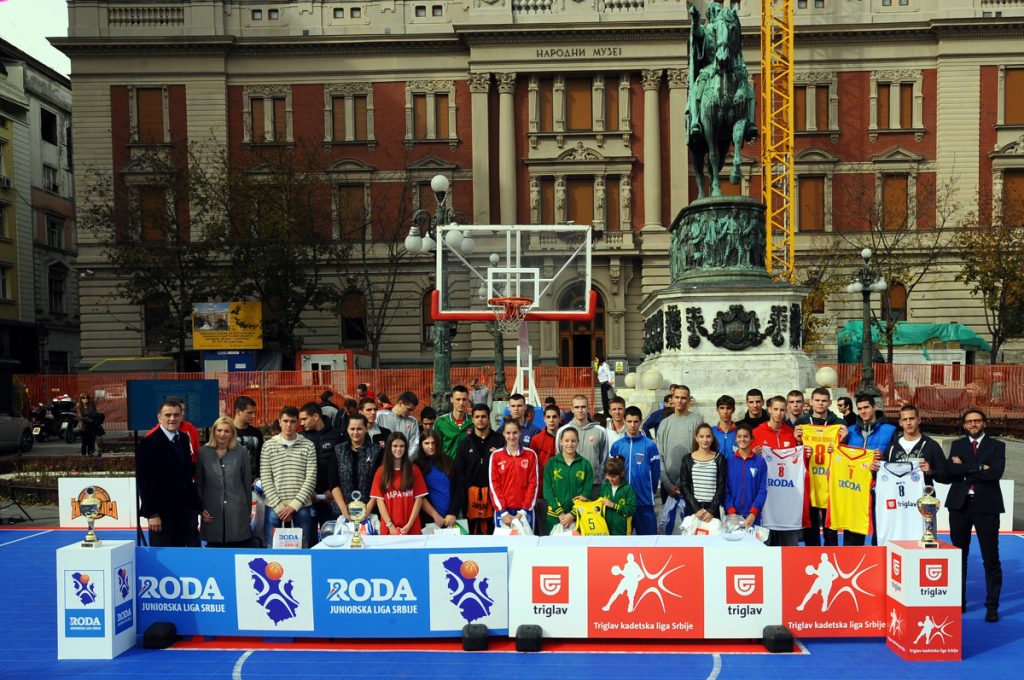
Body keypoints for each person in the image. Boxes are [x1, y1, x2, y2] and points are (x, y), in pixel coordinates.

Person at [945, 409, 1004, 622]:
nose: (973, 424)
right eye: (969, 421)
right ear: (964, 425)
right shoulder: (957, 445)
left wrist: (965, 468)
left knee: (991, 558)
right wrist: (979, 466)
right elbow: (951, 470)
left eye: (977, 421)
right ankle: (958, 602)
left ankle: (992, 606)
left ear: (984, 423)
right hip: (959, 506)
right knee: (959, 557)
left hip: (986, 506)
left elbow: (995, 473)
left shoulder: (998, 446)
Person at [136, 399, 202, 547]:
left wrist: (198, 506)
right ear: (159, 417)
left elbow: (186, 477)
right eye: (168, 415)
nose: (172, 418)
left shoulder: (184, 439)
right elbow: (144, 483)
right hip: (161, 516)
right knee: (163, 559)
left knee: (179, 556)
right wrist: (152, 514)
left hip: (182, 512)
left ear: (181, 417)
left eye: (176, 415)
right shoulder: (149, 443)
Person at [260, 406, 317, 548]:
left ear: (298, 423)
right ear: (279, 421)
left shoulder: (308, 445)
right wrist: (280, 507)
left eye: (292, 421)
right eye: (285, 421)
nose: (288, 425)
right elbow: (266, 479)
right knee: (272, 551)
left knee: (302, 551)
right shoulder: (268, 446)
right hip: (274, 507)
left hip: (302, 506)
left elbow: (310, 479)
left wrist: (293, 506)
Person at [196, 417, 252, 547]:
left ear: (232, 433)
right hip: (212, 510)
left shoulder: (241, 452)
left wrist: (247, 511)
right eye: (219, 430)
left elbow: (246, 482)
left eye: (226, 431)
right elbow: (200, 483)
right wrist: (201, 508)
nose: (222, 434)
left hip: (237, 511)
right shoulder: (203, 452)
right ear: (213, 432)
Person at [451, 404, 505, 535]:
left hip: (493, 496)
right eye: (477, 417)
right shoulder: (465, 443)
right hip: (470, 497)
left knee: (493, 532)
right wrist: (468, 491)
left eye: (483, 417)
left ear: (488, 418)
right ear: (472, 419)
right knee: (471, 533)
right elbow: (459, 471)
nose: (480, 420)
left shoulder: (499, 441)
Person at [609, 406, 660, 535]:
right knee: (621, 544)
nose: (632, 425)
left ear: (641, 421)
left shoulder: (650, 445)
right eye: (629, 421)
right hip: (622, 503)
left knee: (649, 543)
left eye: (636, 421)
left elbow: (655, 472)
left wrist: (649, 492)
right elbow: (612, 473)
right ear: (624, 421)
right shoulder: (617, 446)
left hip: (644, 502)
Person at [299, 402, 344, 539]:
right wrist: (306, 492)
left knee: (332, 538)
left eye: (304, 419)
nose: (301, 423)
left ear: (316, 416)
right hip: (308, 497)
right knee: (308, 539)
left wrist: (334, 489)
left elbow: (342, 466)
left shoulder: (337, 436)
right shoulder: (301, 438)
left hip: (331, 496)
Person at [371, 432, 429, 535]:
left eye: (402, 446)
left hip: (411, 527)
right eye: (395, 446)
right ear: (389, 447)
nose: (398, 449)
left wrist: (409, 525)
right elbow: (379, 501)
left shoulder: (414, 470)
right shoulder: (381, 472)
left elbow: (418, 500)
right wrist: (390, 526)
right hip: (389, 528)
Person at [657, 385, 706, 504]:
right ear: (672, 398)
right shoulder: (664, 424)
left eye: (683, 398)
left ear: (689, 400)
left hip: (690, 484)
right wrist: (667, 484)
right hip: (668, 485)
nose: (679, 400)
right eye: (677, 397)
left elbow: (699, 453)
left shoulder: (696, 421)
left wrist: (683, 482)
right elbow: (659, 455)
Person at [489, 418, 539, 530]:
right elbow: (494, 486)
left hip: (524, 511)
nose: (512, 436)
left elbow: (533, 484)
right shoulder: (496, 456)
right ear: (503, 433)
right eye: (508, 433)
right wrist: (503, 512)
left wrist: (524, 511)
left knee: (526, 545)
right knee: (503, 546)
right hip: (503, 512)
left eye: (515, 432)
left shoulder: (530, 455)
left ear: (520, 432)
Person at [556, 394, 609, 499]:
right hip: (570, 485)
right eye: (577, 407)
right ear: (571, 409)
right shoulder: (562, 431)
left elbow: (604, 460)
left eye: (583, 407)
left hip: (594, 485)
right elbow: (559, 458)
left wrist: (602, 481)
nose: (580, 410)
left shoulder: (600, 431)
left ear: (588, 408)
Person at [543, 426, 593, 534]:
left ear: (578, 442)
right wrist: (561, 513)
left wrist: (572, 514)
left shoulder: (585, 464)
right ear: (561, 441)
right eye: (566, 440)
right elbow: (547, 491)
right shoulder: (551, 463)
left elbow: (587, 492)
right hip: (555, 516)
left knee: (577, 549)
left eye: (573, 441)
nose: (570, 444)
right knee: (555, 548)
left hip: (578, 515)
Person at [333, 413, 382, 520]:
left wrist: (368, 509)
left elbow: (380, 483)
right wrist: (343, 509)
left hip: (371, 511)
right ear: (347, 429)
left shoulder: (377, 451)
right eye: (352, 429)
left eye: (359, 429)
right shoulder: (338, 450)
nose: (355, 432)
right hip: (342, 512)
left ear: (366, 429)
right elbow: (333, 482)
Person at [678, 423, 726, 521]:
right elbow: (684, 485)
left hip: (712, 511)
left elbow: (721, 486)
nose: (705, 440)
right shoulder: (687, 459)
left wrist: (711, 510)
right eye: (701, 436)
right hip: (693, 510)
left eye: (708, 436)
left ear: (712, 438)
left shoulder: (719, 458)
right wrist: (696, 509)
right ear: (696, 438)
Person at [724, 423, 767, 528]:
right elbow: (725, 490)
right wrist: (731, 513)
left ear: (751, 439)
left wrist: (753, 513)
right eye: (739, 436)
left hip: (753, 518)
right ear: (735, 439)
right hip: (732, 517)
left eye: (746, 436)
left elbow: (762, 490)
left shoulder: (760, 462)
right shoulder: (728, 462)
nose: (742, 439)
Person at [530, 404, 562, 534]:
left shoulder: (566, 439)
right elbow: (533, 469)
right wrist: (536, 495)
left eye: (555, 417)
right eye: (548, 417)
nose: (551, 420)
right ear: (544, 419)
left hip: (563, 492)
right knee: (544, 531)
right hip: (543, 493)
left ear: (560, 419)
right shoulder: (536, 440)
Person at [415, 431, 457, 529]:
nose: (430, 446)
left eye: (433, 443)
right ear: (421, 445)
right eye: (426, 443)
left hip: (451, 519)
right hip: (427, 519)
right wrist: (435, 516)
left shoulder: (450, 462)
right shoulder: (416, 466)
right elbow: (420, 495)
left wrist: (452, 512)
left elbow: (458, 489)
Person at [376, 391, 421, 459]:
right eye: (409, 409)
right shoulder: (379, 416)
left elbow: (414, 444)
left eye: (412, 410)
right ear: (400, 403)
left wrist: (404, 461)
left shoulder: (412, 421)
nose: (410, 413)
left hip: (404, 464)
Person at [600, 457, 637, 536]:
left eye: (613, 476)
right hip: (606, 531)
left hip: (623, 532)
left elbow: (631, 510)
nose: (610, 479)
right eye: (607, 475)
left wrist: (614, 506)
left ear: (621, 474)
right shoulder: (604, 487)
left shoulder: (627, 489)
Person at [434, 385, 472, 460]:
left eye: (464, 399)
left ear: (467, 400)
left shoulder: (473, 421)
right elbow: (436, 447)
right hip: (447, 466)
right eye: (458, 399)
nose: (461, 403)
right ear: (451, 400)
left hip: (468, 466)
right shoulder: (441, 422)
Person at [233, 395, 264, 475]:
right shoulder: (226, 431)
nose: (253, 416)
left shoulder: (257, 433)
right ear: (238, 412)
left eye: (254, 413)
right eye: (249, 413)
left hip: (253, 481)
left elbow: (262, 458)